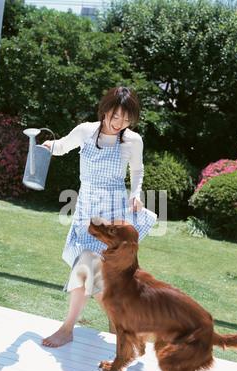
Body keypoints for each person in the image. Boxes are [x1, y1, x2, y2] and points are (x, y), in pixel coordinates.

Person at [41, 86, 157, 348]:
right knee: (95, 274)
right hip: (86, 211)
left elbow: (137, 171)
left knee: (86, 265)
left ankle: (68, 328)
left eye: (127, 120)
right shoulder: (85, 131)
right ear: (105, 110)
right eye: (116, 117)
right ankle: (123, 326)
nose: (120, 124)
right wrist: (49, 146)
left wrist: (136, 194)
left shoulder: (132, 141)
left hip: (113, 215)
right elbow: (61, 147)